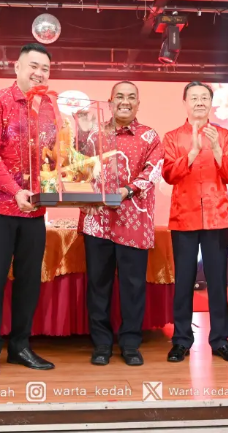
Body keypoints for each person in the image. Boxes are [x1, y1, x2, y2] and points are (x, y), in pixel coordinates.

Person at [0, 43, 57, 378]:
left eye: (45, 68)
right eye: (33, 66)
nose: (39, 73)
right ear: (17, 67)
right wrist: (14, 190)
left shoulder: (49, 107)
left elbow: (54, 154)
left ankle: (20, 346)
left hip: (34, 210)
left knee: (29, 281)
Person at [79, 81, 163, 366]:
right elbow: (78, 169)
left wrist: (126, 191)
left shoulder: (149, 135)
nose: (125, 101)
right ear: (110, 102)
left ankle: (130, 343)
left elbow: (153, 171)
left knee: (133, 286)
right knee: (98, 285)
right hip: (97, 220)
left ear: (138, 103)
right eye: (119, 97)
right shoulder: (94, 135)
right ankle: (101, 344)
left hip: (134, 220)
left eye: (131, 97)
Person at [162, 82, 228, 364]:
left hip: (217, 217)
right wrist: (193, 152)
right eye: (194, 98)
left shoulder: (224, 135)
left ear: (211, 103)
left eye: (204, 98)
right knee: (183, 281)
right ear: (185, 103)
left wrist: (217, 149)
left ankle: (221, 341)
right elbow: (169, 175)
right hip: (183, 217)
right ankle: (181, 340)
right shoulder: (172, 137)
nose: (199, 102)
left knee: (217, 282)